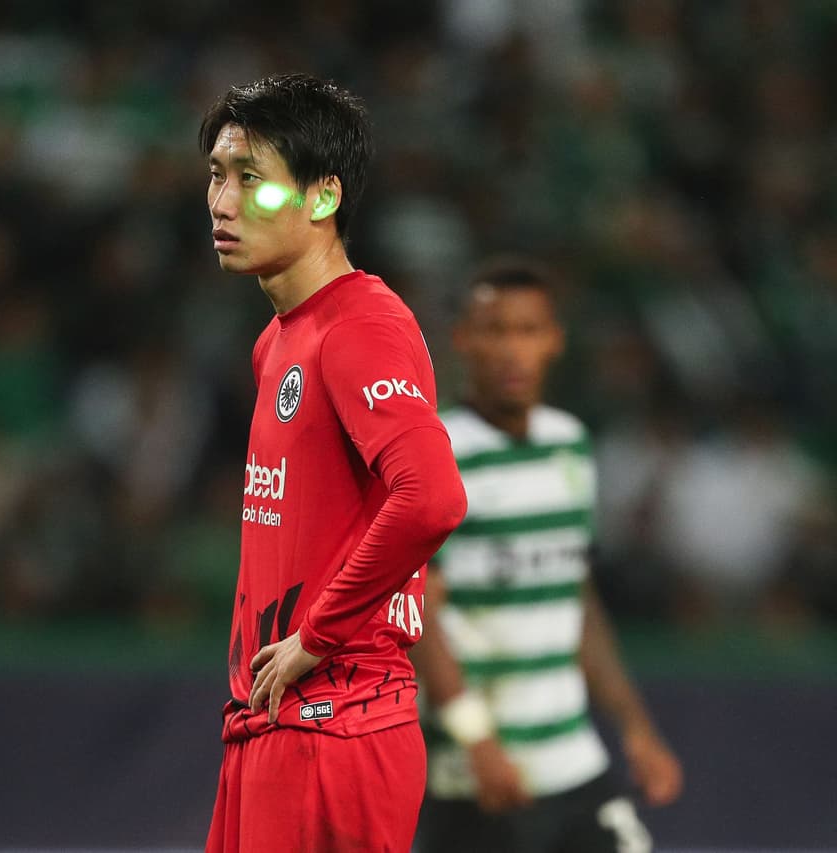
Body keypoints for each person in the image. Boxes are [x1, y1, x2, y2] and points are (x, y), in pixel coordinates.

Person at [200, 73, 468, 852]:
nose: (222, 202)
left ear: (322, 198)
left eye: (252, 180)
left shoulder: (362, 328)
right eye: (217, 176)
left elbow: (433, 499)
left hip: (337, 725)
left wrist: (316, 635)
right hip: (271, 722)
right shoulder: (278, 342)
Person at [411, 259, 684, 853]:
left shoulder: (571, 445)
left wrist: (634, 727)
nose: (513, 349)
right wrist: (475, 739)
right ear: (462, 340)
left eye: (529, 330)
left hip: (571, 756)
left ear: (554, 340)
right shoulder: (436, 453)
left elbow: (575, 597)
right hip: (473, 771)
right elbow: (419, 614)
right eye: (496, 330)